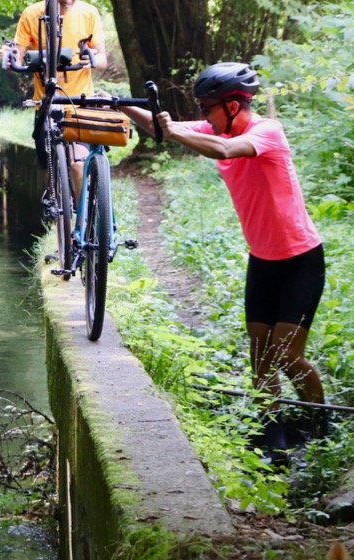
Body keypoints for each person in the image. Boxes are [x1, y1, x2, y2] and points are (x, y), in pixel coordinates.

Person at [121, 62, 327, 466]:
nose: (203, 115)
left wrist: (174, 129)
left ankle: (320, 425)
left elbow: (224, 150)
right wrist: (122, 106)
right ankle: (274, 438)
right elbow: (161, 127)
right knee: (260, 354)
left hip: (301, 259)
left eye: (208, 107)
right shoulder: (216, 127)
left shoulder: (265, 132)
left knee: (287, 354)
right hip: (263, 259)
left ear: (233, 105)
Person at [0, 0, 108, 196]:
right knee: (50, 167)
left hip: (80, 102)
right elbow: (18, 57)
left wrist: (91, 59)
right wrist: (8, 56)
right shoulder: (32, 14)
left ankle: (82, 226)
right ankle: (61, 217)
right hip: (47, 102)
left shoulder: (89, 13)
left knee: (77, 165)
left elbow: (102, 59)